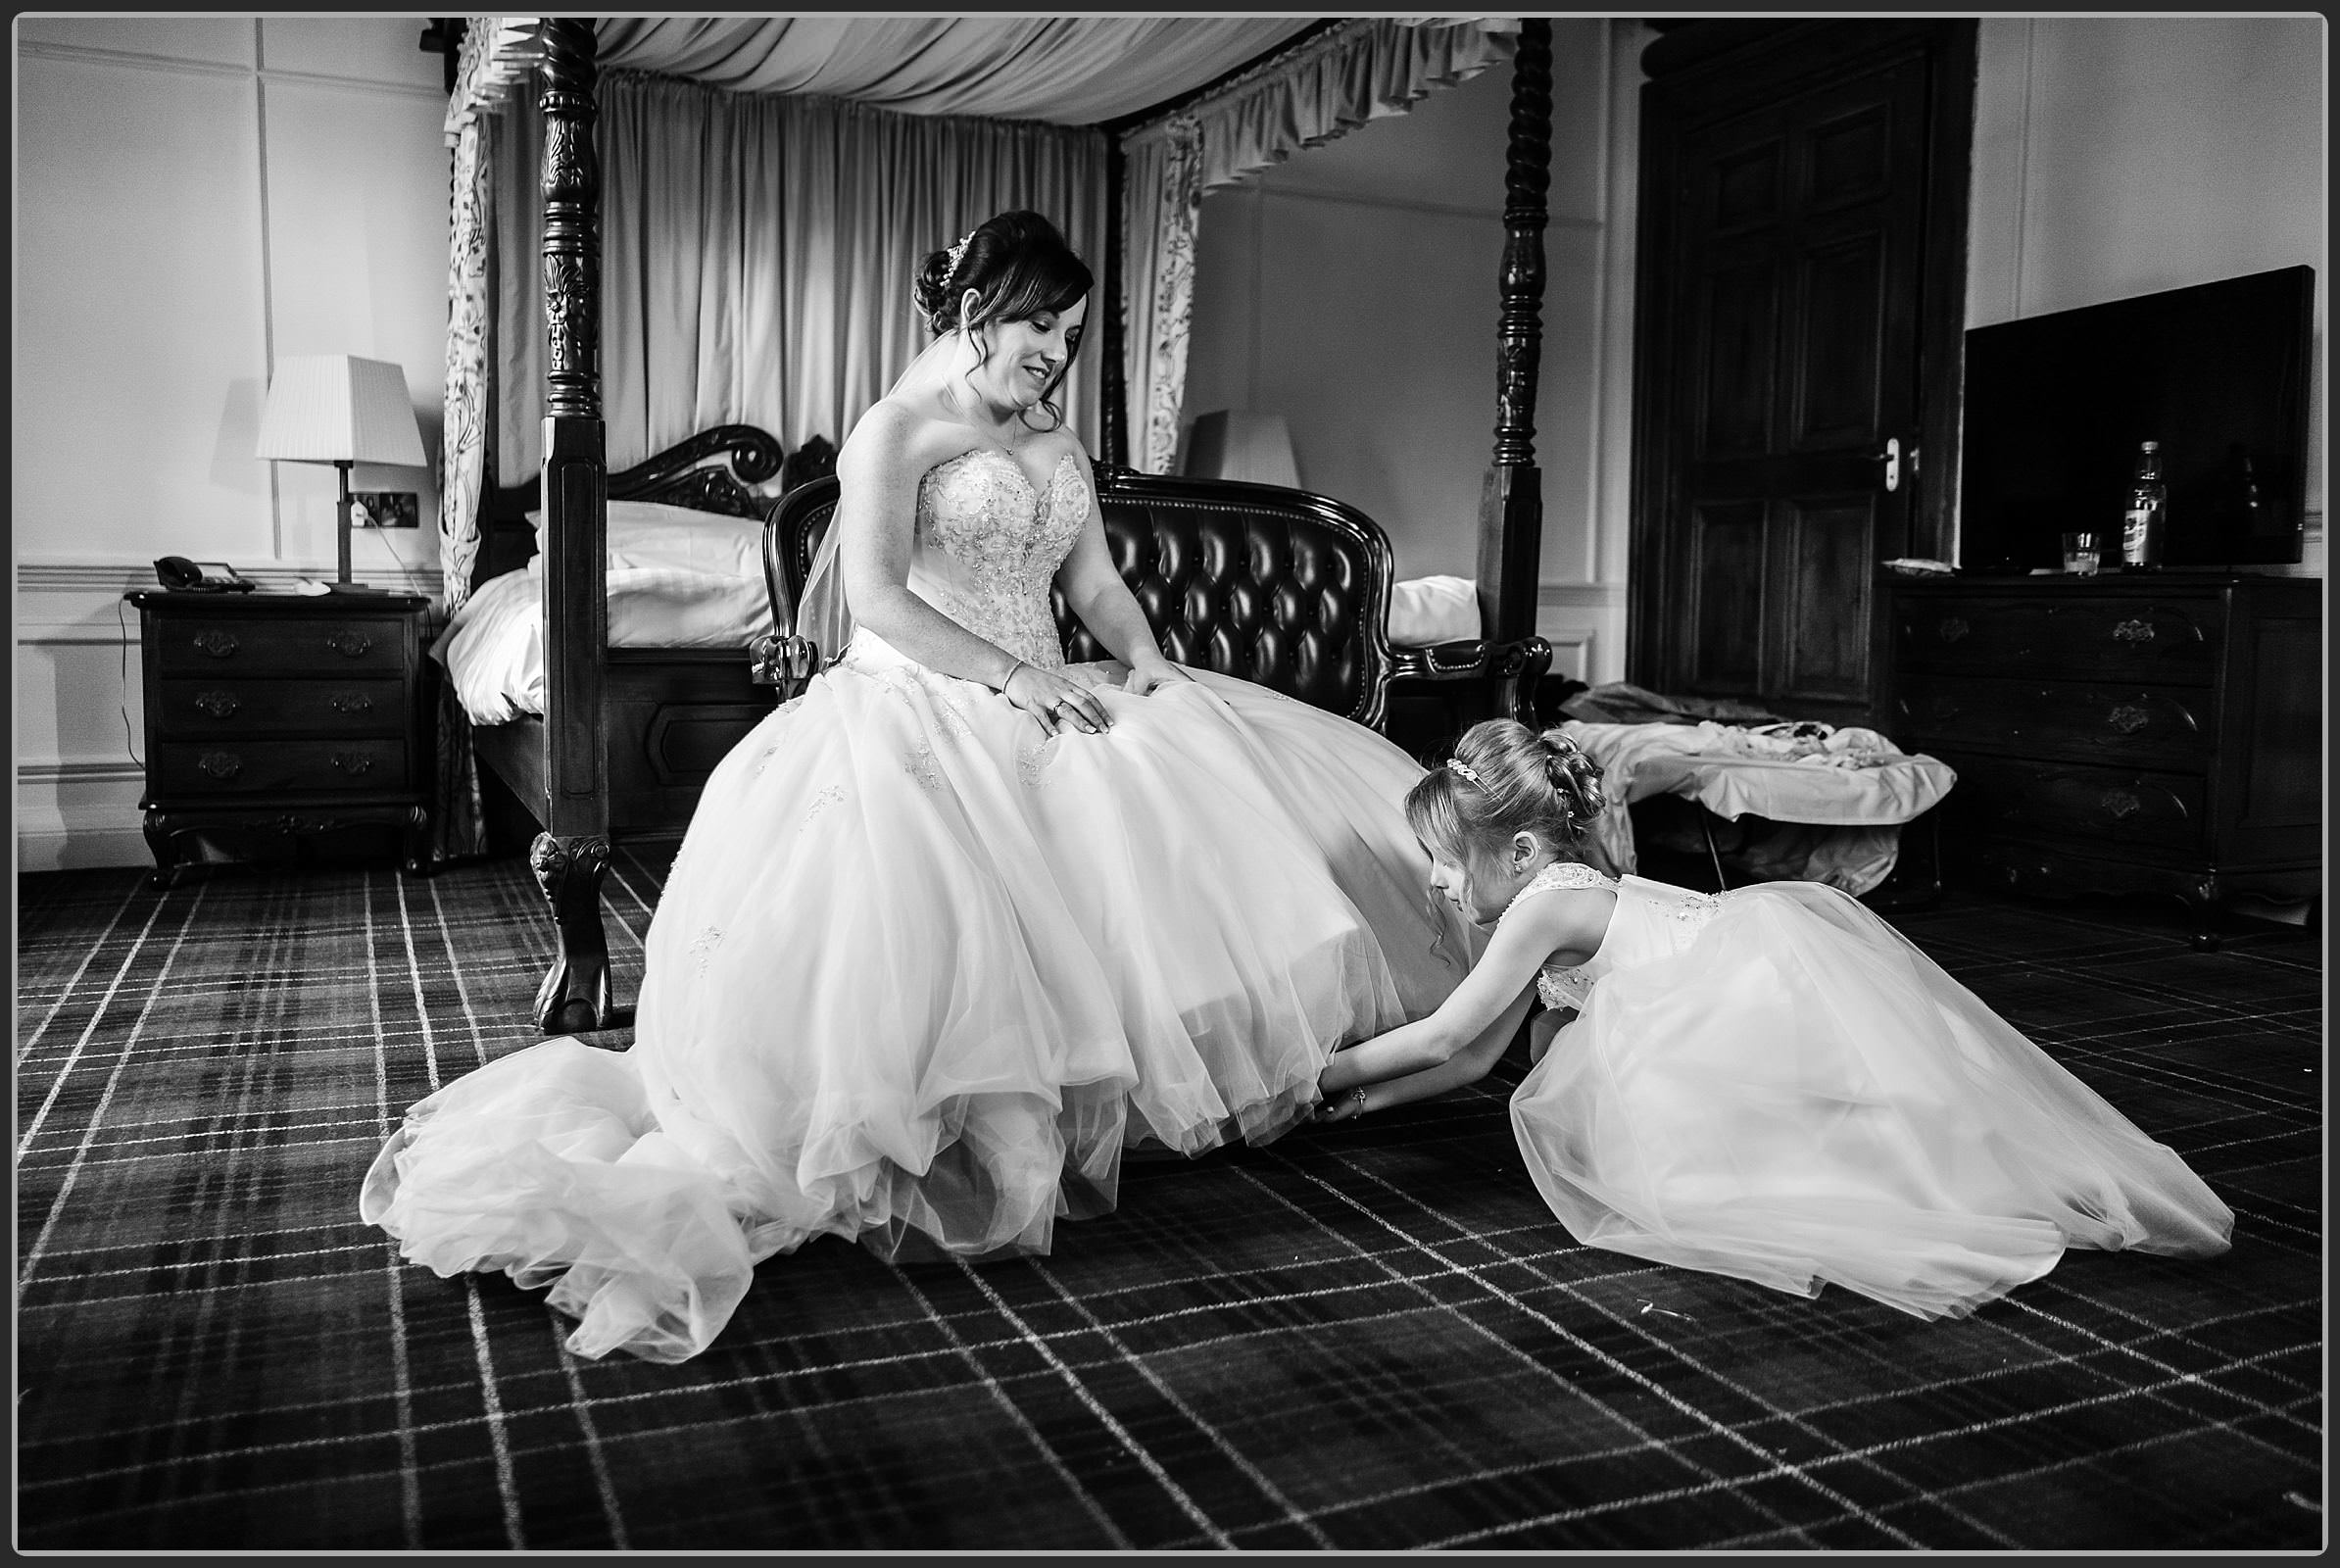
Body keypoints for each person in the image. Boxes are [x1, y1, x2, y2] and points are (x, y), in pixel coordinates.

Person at [361, 211, 1476, 1362]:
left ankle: (1161, 1084)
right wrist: (1006, 679)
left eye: (1075, 331)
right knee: (942, 889)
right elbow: (881, 598)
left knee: (1174, 790)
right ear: (982, 307)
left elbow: (1092, 586)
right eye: (1041, 321)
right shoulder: (895, 429)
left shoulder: (1055, 439)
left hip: (1048, 680)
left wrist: (1143, 661)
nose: (1057, 348)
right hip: (924, 692)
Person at [1315, 718, 2234, 1321]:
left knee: (1795, 1168)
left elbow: (1445, 1034)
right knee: (1861, 1121)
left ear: (1519, 852)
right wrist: (1354, 1109)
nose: (1433, 882)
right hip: (1737, 989)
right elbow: (1476, 1063)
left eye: (1440, 862)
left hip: (1738, 1008)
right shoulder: (1558, 894)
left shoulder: (1543, 908)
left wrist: (1321, 1072)